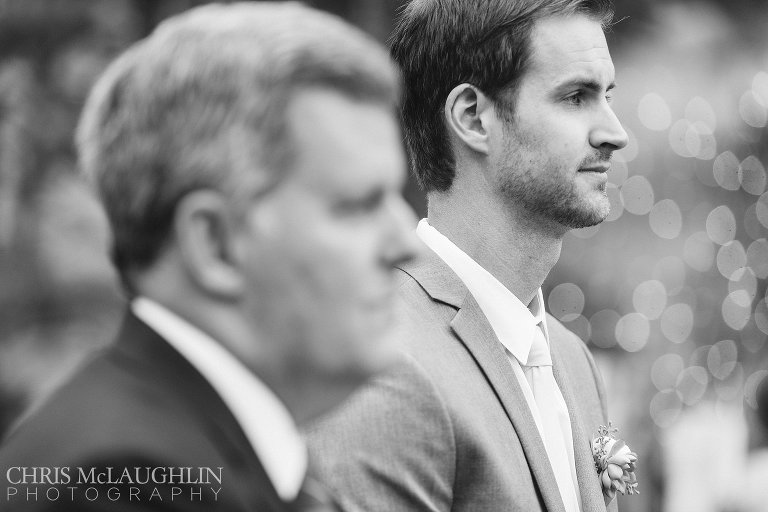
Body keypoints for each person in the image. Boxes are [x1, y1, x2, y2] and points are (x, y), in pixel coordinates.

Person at [0, 2, 418, 511]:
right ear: (215, 245)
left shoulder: (215, 452)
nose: (405, 243)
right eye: (357, 206)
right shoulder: (123, 482)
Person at [306, 0, 629, 511]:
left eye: (607, 95)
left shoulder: (573, 359)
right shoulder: (384, 363)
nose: (615, 132)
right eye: (575, 97)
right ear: (474, 117)